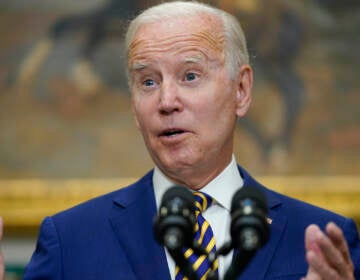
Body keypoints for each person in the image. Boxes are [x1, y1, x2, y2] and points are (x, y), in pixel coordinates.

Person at [0, 1, 359, 279]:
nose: (167, 101)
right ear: (133, 106)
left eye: (190, 75)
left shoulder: (322, 240)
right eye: (148, 82)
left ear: (241, 90)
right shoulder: (70, 241)